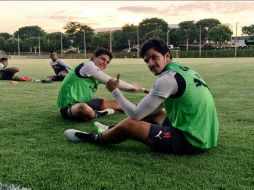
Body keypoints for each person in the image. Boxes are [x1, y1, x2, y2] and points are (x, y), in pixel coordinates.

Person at [65, 38, 219, 155]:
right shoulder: (182, 69)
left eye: (154, 57)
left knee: (129, 124)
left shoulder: (167, 79)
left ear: (167, 55)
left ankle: (94, 138)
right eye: (147, 60)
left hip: (192, 141)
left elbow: (136, 114)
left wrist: (115, 91)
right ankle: (112, 129)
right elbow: (151, 108)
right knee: (155, 112)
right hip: (206, 134)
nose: (150, 63)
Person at [57, 47, 148, 121]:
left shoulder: (95, 72)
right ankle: (99, 113)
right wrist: (135, 88)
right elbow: (113, 82)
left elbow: (114, 83)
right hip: (69, 107)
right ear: (94, 56)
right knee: (83, 109)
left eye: (107, 62)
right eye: (103, 59)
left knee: (117, 104)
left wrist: (143, 90)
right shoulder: (89, 66)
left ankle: (141, 109)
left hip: (86, 102)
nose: (104, 63)